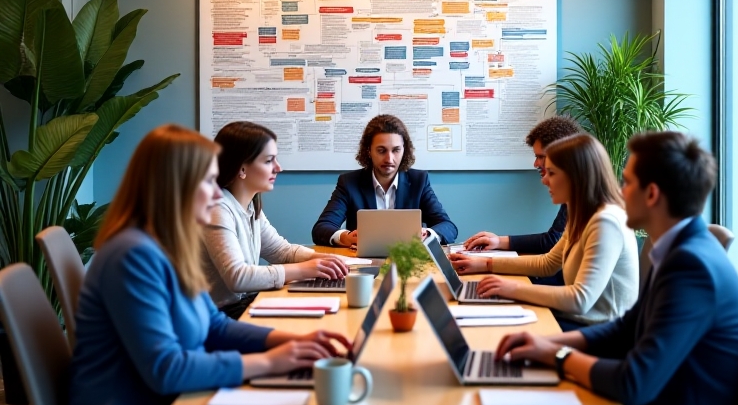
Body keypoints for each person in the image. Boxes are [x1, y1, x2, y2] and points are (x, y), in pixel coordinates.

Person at [68, 125, 350, 405]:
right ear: (174, 187)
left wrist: (286, 342)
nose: (218, 194)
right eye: (208, 181)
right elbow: (167, 370)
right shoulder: (132, 255)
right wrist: (269, 362)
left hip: (165, 401)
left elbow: (213, 324)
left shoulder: (169, 244)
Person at [493, 132, 738, 405]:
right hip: (663, 404)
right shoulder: (678, 249)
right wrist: (548, 344)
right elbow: (625, 328)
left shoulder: (690, 266)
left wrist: (557, 356)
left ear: (652, 194)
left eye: (627, 182)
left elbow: (633, 383)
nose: (619, 190)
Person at [450, 133, 638, 329]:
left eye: (552, 173)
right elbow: (547, 264)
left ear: (576, 176)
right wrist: (483, 264)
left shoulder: (606, 222)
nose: (544, 180)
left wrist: (512, 288)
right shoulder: (583, 214)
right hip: (578, 321)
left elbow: (580, 300)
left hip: (600, 333)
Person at [203, 121, 348, 318]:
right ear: (242, 169)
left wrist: (322, 260)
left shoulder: (250, 205)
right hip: (221, 316)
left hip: (242, 305)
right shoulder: (217, 208)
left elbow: (282, 251)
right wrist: (304, 269)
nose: (278, 168)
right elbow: (238, 278)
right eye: (269, 160)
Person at [312, 114, 457, 247]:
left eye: (396, 150)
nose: (389, 159)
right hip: (363, 264)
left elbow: (448, 227)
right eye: (381, 150)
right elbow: (321, 228)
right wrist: (345, 237)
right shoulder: (349, 183)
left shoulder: (418, 181)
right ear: (368, 151)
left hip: (408, 262)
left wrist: (428, 234)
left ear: (404, 150)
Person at [463, 115, 581, 257]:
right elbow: (550, 255)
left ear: (562, 155)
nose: (536, 164)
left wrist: (493, 256)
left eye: (540, 157)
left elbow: (552, 243)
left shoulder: (582, 197)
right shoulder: (574, 191)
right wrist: (497, 245)